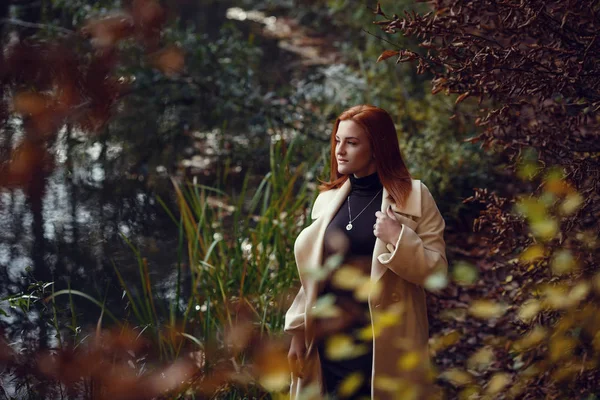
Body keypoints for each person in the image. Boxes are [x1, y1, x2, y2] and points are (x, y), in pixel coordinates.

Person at [284, 105, 447, 400]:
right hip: (327, 340)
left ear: (377, 148)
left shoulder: (415, 196)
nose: (340, 150)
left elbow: (437, 273)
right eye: (337, 140)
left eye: (352, 142)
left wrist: (398, 238)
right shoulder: (327, 199)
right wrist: (297, 332)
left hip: (382, 341)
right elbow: (314, 276)